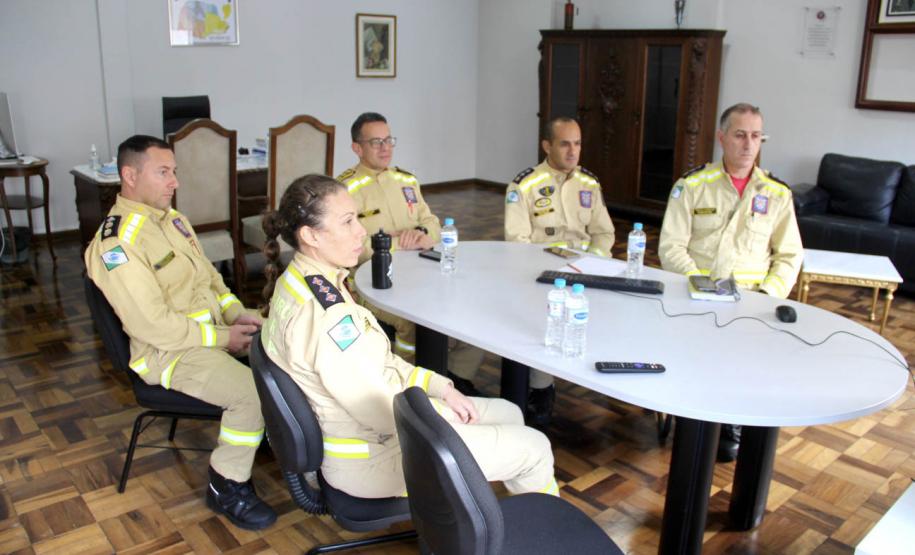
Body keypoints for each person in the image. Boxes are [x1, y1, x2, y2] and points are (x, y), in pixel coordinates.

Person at [259, 174, 558, 499]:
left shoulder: (304, 280)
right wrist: (442, 413)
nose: (362, 231)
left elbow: (380, 365)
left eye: (357, 218)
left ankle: (479, 519)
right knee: (536, 448)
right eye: (347, 222)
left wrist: (439, 387)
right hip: (370, 457)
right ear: (311, 236)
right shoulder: (328, 316)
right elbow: (376, 411)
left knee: (510, 413)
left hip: (376, 429)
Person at [84, 135, 276, 530]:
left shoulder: (172, 219)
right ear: (129, 175)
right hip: (167, 354)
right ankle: (226, 484)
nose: (175, 182)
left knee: (287, 343)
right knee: (251, 393)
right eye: (163, 172)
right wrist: (225, 339)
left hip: (209, 335)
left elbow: (212, 282)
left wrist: (237, 314)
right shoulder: (116, 243)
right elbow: (151, 326)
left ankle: (274, 436)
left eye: (175, 172)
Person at [658, 103, 803, 462]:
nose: (748, 144)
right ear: (722, 138)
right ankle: (691, 415)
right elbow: (670, 246)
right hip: (696, 297)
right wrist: (700, 284)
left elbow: (789, 255)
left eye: (756, 136)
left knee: (745, 368)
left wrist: (768, 296)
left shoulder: (777, 193)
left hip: (753, 302)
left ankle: (732, 423)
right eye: (740, 135)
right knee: (695, 363)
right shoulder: (692, 186)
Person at [337, 112, 485, 391]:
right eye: (376, 142)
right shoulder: (344, 190)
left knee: (468, 304)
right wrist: (395, 243)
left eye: (389, 140)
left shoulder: (407, 181)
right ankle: (408, 381)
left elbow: (432, 224)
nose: (385, 148)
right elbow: (349, 250)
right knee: (411, 321)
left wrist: (422, 236)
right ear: (357, 148)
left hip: (421, 270)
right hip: (373, 281)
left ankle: (457, 378)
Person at [502, 116, 616, 425]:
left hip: (583, 271)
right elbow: (517, 242)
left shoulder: (589, 184)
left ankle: (603, 375)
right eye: (565, 143)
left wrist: (591, 261)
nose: (572, 151)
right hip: (539, 275)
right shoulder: (525, 185)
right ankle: (541, 386)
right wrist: (550, 270)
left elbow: (605, 234)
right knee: (542, 320)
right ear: (547, 145)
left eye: (577, 143)